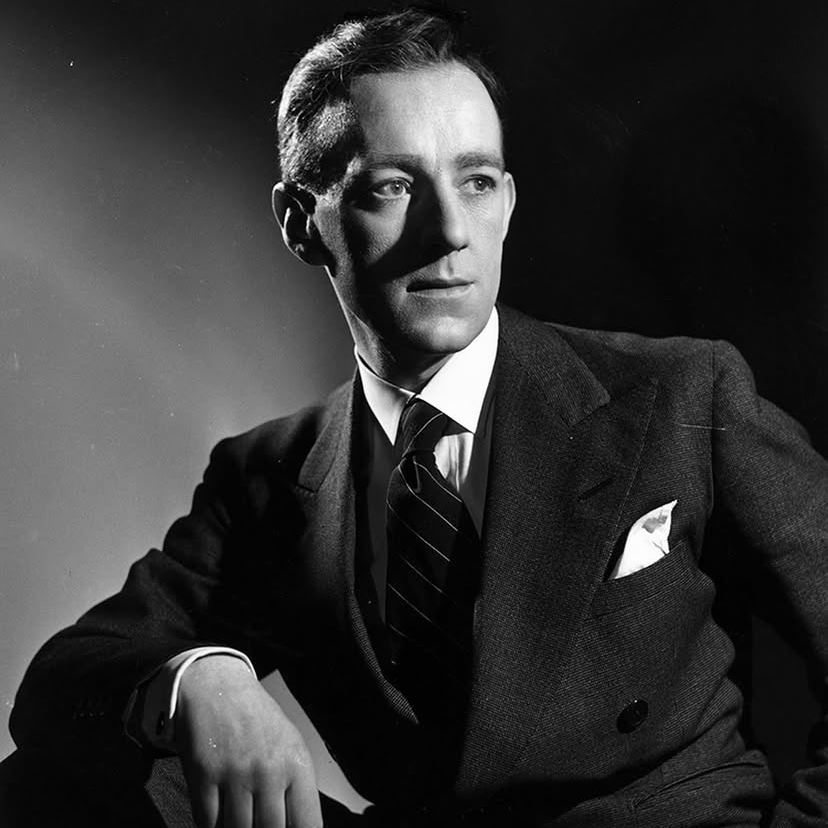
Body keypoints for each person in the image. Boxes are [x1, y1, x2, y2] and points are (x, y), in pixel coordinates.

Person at [8, 7, 828, 828]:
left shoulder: (679, 394)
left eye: (476, 182)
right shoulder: (269, 478)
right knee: (63, 782)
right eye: (393, 187)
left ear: (507, 203)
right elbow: (67, 677)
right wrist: (196, 680)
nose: (449, 234)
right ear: (301, 223)